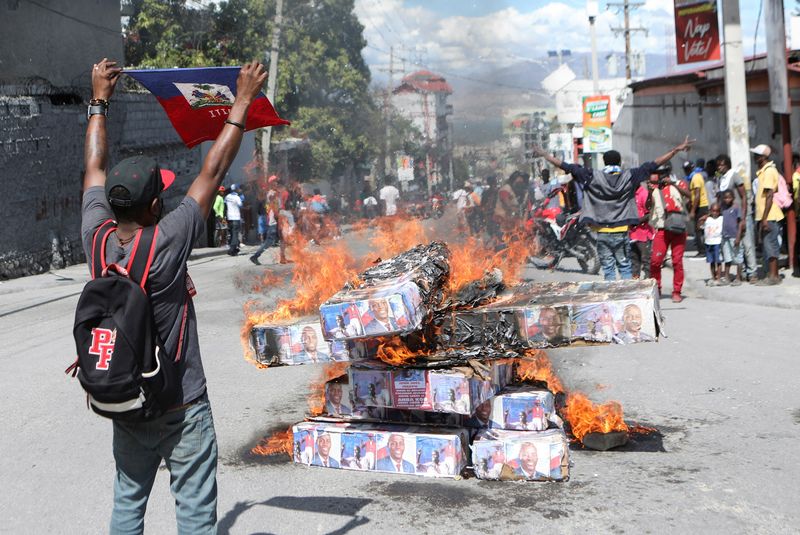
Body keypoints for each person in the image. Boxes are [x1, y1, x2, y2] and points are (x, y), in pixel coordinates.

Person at [80, 57, 267, 534]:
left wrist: (99, 99)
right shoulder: (167, 240)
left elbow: (94, 166)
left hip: (125, 401)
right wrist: (242, 99)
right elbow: (213, 169)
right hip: (182, 406)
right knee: (196, 515)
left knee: (127, 506)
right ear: (155, 205)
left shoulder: (95, 238)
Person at [534, 137, 694, 280]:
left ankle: (613, 302)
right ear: (618, 162)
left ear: (604, 161)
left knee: (608, 269)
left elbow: (567, 166)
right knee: (625, 267)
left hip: (602, 232)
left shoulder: (592, 176)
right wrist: (675, 150)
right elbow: (654, 164)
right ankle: (626, 299)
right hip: (622, 231)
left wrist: (545, 155)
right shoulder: (630, 176)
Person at [648, 163, 692, 302]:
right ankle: (657, 288)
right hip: (661, 230)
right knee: (655, 262)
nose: (659, 176)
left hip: (678, 229)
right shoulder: (655, 189)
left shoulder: (679, 183)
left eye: (661, 174)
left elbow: (689, 195)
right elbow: (648, 206)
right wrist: (650, 192)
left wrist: (672, 183)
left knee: (677, 262)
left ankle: (677, 291)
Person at [716, 154, 756, 281]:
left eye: (722, 165)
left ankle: (752, 272)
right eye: (718, 165)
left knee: (747, 244)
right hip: (730, 217)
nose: (719, 167)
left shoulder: (734, 175)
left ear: (727, 164)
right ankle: (742, 272)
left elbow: (744, 196)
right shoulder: (721, 179)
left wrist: (743, 217)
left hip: (741, 214)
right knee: (736, 247)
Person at [750, 144, 784, 285]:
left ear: (764, 157)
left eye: (757, 155)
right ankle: (771, 275)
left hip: (769, 216)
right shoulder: (763, 172)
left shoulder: (769, 171)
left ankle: (773, 277)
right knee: (767, 245)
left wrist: (764, 218)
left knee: (770, 246)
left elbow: (769, 195)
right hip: (765, 215)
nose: (754, 157)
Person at [629, 173, 657, 279]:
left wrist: (637, 221)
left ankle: (648, 285)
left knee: (646, 262)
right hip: (633, 235)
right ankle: (636, 285)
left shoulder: (643, 193)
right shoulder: (631, 194)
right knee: (634, 261)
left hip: (644, 235)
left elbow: (649, 214)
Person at [719, 189, 744, 285]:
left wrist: (738, 236)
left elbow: (740, 223)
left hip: (734, 236)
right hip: (725, 236)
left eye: (729, 197)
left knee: (738, 257)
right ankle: (726, 277)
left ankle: (738, 277)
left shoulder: (736, 207)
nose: (727, 200)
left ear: (733, 198)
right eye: (725, 198)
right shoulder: (723, 208)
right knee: (727, 257)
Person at [689, 159, 710, 257]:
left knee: (699, 229)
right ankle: (703, 250)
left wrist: (693, 211)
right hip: (700, 206)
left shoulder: (696, 177)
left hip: (701, 207)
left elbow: (697, 195)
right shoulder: (696, 177)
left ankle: (703, 251)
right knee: (699, 229)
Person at [700, 202, 724, 285]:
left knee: (718, 261)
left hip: (717, 242)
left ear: (719, 211)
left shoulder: (721, 218)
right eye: (713, 211)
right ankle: (713, 277)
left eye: (717, 211)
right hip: (708, 242)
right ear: (710, 211)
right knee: (711, 261)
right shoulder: (707, 219)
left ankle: (719, 277)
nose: (715, 213)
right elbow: (700, 226)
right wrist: (701, 219)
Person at [224, 183, 244, 256]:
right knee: (235, 234)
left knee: (232, 233)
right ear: (236, 190)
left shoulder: (227, 197)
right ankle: (232, 250)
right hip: (236, 217)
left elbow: (225, 205)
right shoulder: (237, 197)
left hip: (229, 218)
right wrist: (241, 197)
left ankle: (235, 249)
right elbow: (241, 205)